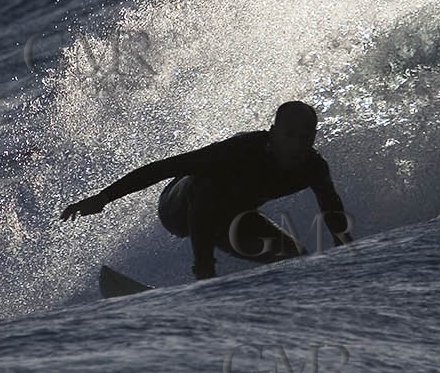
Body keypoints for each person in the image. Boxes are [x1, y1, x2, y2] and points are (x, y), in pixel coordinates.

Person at [59, 101, 353, 280]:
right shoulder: (239, 151)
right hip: (179, 206)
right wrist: (104, 197)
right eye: (290, 135)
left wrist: (350, 256)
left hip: (233, 217)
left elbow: (332, 209)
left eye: (306, 137)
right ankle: (205, 275)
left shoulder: (313, 166)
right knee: (209, 185)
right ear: (273, 133)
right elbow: (165, 168)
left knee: (294, 255)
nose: (297, 145)